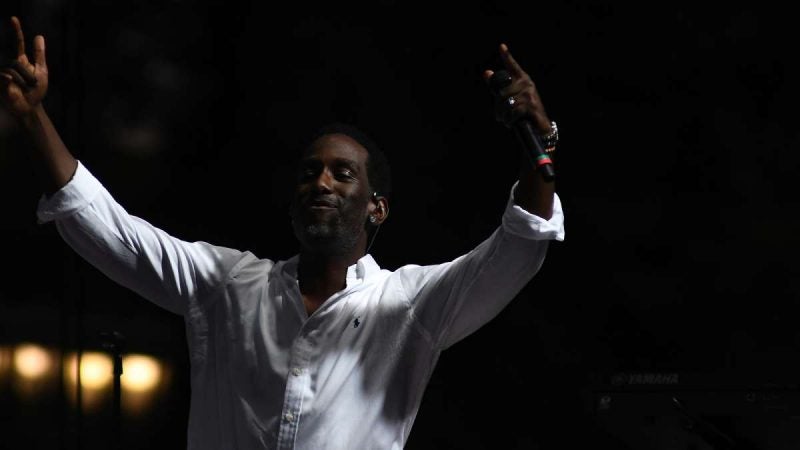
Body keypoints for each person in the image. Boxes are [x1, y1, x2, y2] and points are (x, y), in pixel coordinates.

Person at [1, 15, 565, 450]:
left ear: (378, 209)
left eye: (342, 174)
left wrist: (538, 148)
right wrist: (33, 117)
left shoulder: (410, 304)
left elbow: (516, 248)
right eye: (309, 172)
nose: (320, 182)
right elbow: (110, 230)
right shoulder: (228, 285)